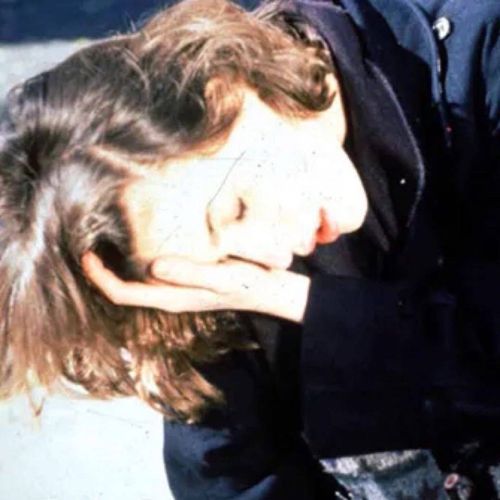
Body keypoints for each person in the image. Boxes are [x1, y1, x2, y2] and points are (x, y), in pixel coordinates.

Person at [0, 0, 498, 498]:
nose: (276, 257)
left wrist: (314, 308)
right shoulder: (218, 283)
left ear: (226, 88)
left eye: (236, 208)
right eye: (226, 262)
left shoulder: (482, 54)